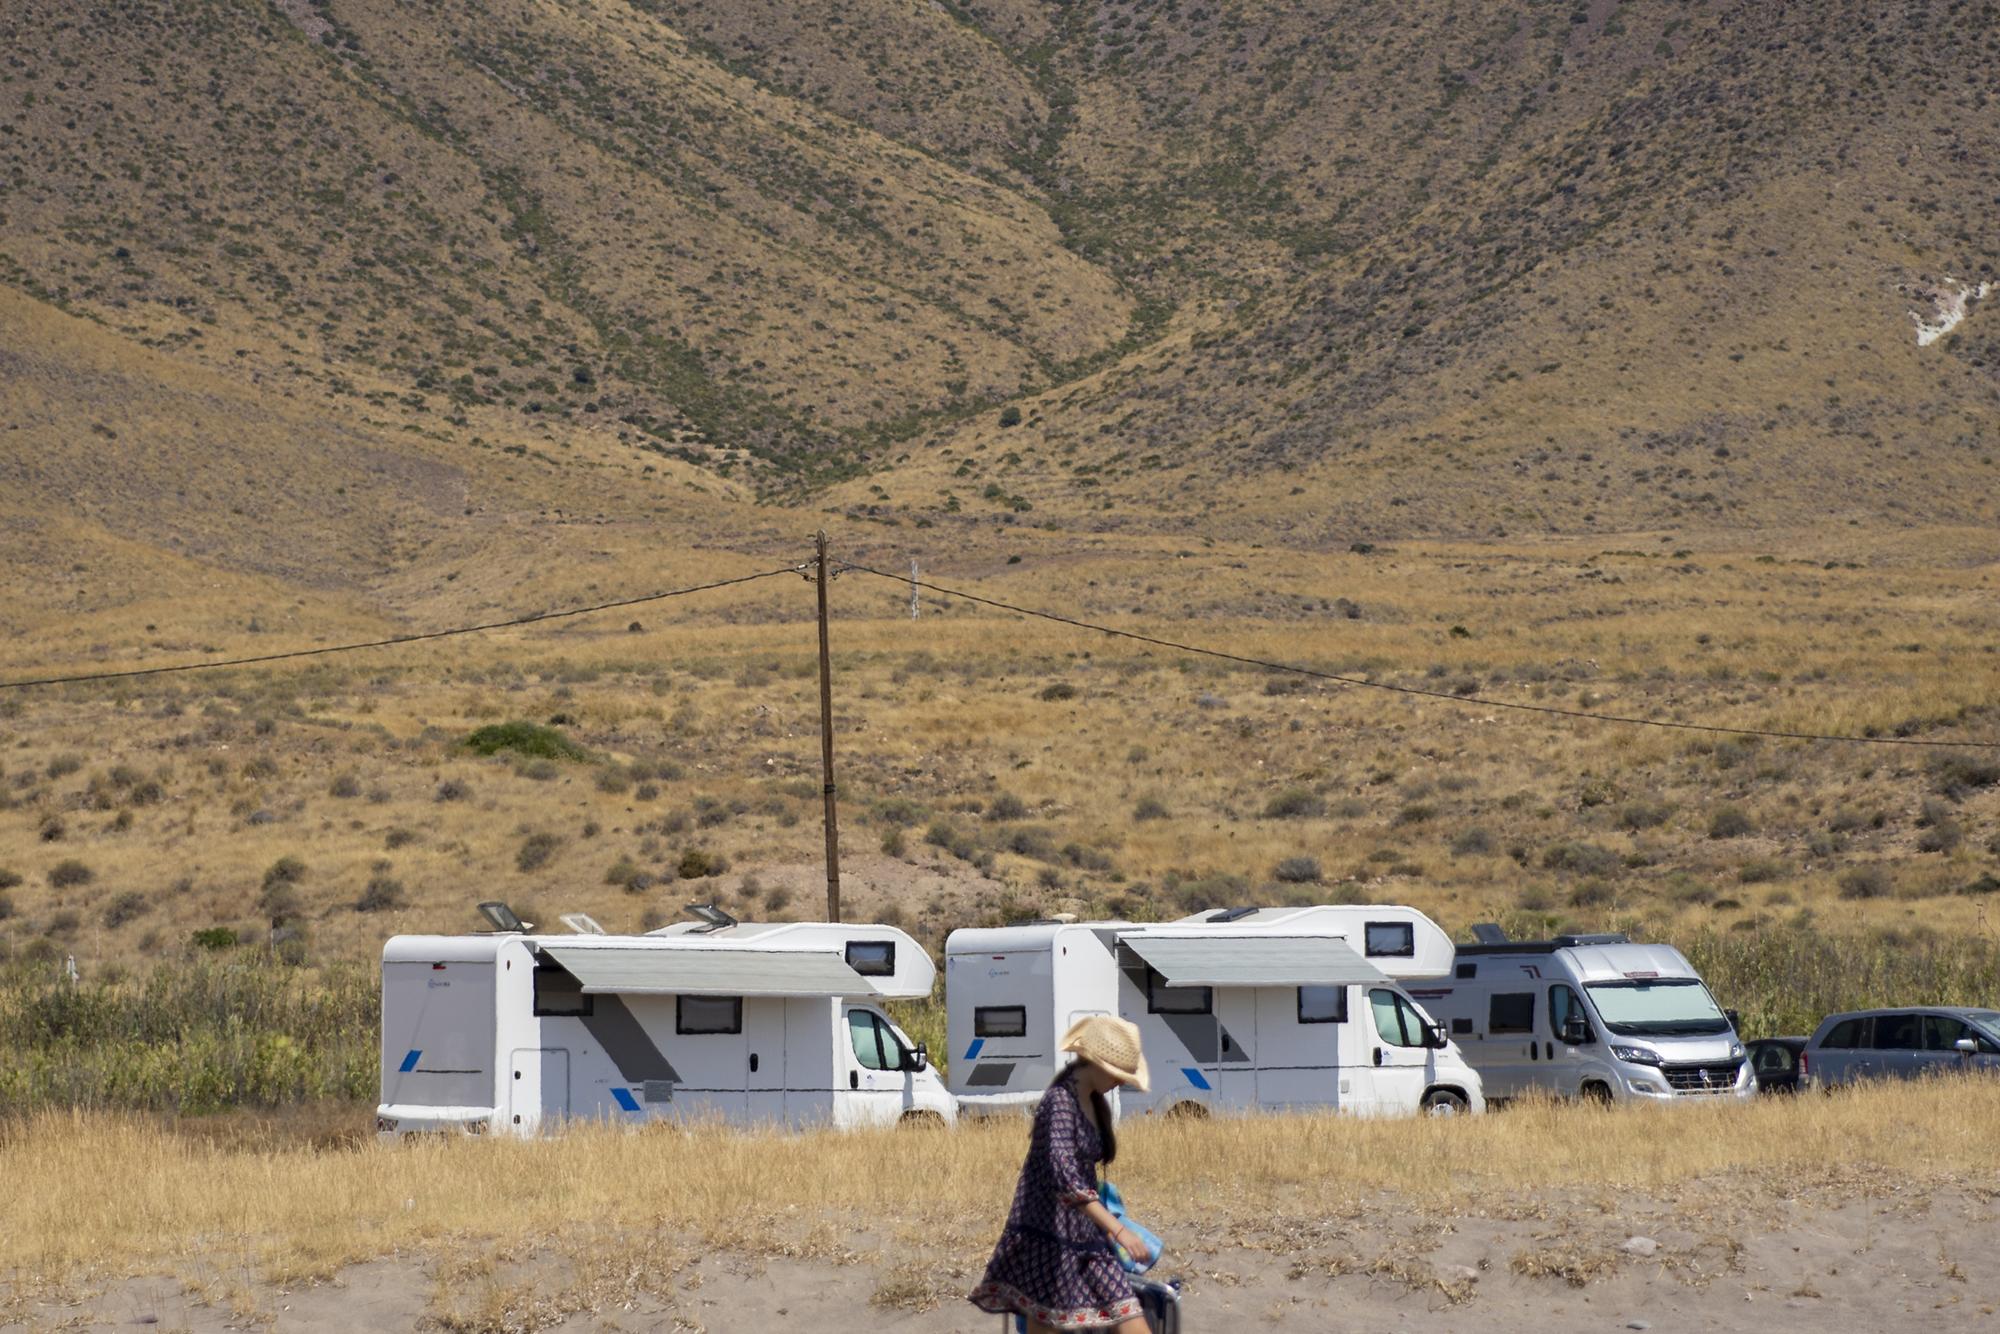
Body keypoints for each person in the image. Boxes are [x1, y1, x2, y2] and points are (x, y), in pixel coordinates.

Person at [968, 1015, 1154, 1332]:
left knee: (1133, 1320)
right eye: (1119, 1074)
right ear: (1096, 1063)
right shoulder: (1059, 1103)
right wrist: (1119, 1231)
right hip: (1048, 1241)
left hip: (1088, 1237)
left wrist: (1109, 1228)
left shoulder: (1095, 1104)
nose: (1122, 1082)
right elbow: (1064, 1177)